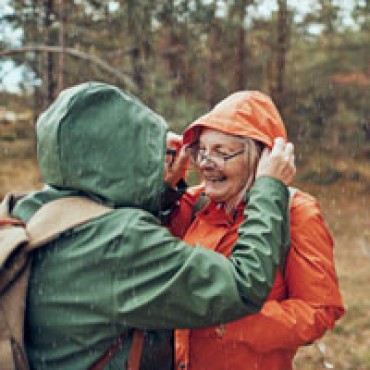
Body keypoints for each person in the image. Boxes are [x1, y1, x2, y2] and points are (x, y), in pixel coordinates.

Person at [11, 82, 295, 369]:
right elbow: (243, 285)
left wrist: (161, 191)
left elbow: (98, 226)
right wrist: (268, 188)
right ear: (123, 154)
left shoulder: (25, 211)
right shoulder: (121, 242)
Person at [167, 91, 345, 370]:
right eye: (201, 150)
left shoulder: (296, 212)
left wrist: (233, 320)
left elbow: (319, 311)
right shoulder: (194, 202)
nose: (204, 163)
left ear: (260, 159)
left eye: (221, 153)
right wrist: (166, 186)